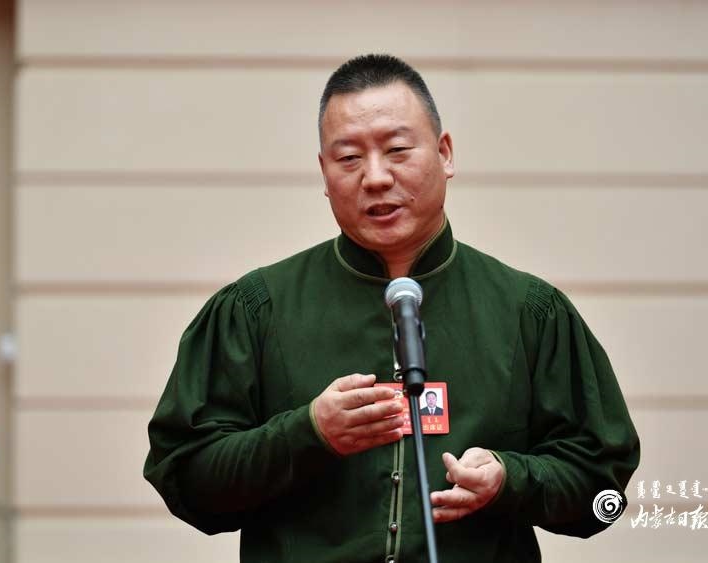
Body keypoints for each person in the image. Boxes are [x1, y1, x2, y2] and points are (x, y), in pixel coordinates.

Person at [144, 54, 640, 562]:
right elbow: (184, 478)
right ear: (324, 173)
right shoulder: (256, 310)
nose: (376, 177)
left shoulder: (529, 312)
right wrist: (307, 434)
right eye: (349, 158)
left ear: (445, 154)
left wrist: (511, 479)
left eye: (398, 150)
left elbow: (603, 492)